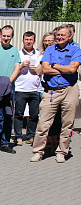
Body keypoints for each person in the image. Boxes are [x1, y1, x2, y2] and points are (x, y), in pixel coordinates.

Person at [30, 25, 81, 163]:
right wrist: (65, 69)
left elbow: (73, 69)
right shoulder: (50, 49)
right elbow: (45, 69)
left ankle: (62, 152)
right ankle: (38, 151)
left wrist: (55, 66)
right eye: (58, 35)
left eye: (62, 35)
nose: (59, 38)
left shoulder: (76, 50)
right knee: (43, 123)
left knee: (67, 123)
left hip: (70, 89)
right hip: (52, 90)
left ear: (70, 36)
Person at [0, 25, 21, 154]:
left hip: (8, 89)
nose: (6, 38)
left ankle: (5, 143)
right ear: (0, 36)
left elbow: (17, 68)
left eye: (8, 36)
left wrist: (7, 82)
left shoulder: (15, 51)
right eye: (4, 36)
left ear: (12, 37)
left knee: (7, 116)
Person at [14, 31, 43, 146]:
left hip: (35, 89)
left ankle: (30, 136)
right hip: (21, 88)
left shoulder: (39, 55)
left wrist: (36, 68)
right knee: (19, 114)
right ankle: (18, 136)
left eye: (31, 40)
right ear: (23, 40)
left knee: (34, 114)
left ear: (34, 41)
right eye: (26, 39)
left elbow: (41, 71)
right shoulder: (18, 54)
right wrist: (21, 66)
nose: (28, 42)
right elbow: (14, 69)